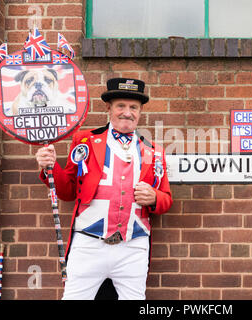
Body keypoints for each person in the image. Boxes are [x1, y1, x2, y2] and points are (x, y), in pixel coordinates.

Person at [35, 78, 173, 300]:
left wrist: (154, 197)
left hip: (133, 245)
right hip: (89, 243)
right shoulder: (86, 140)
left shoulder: (154, 151)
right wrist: (50, 167)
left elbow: (166, 199)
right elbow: (68, 191)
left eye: (133, 107)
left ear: (140, 111)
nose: (127, 112)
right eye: (121, 106)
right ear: (109, 108)